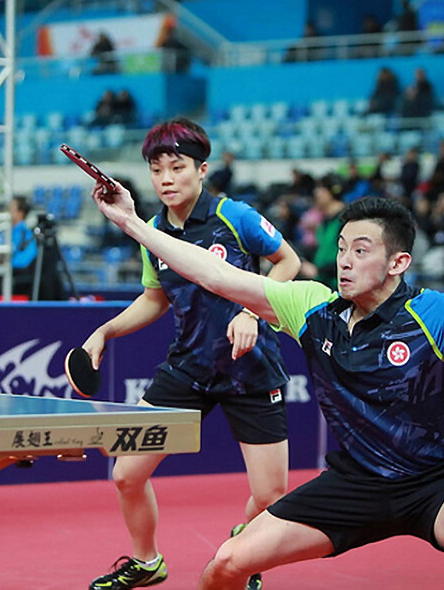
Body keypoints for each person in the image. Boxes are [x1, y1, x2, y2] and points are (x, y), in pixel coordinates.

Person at [89, 188, 444, 590]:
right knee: (227, 563)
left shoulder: (433, 311)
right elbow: (217, 276)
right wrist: (133, 224)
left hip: (439, 482)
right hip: (354, 484)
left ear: (398, 263)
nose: (345, 261)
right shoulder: (312, 307)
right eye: (341, 249)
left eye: (361, 251)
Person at [85, 118, 301, 590]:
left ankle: (243, 552)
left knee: (270, 494)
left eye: (177, 167)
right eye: (157, 169)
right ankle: (146, 562)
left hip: (252, 368)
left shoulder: (235, 217)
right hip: (189, 368)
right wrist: (106, 330)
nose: (166, 178)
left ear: (201, 169)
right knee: (126, 473)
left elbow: (289, 262)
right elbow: (154, 298)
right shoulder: (155, 232)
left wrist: (254, 311)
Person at [10, 196, 37, 297]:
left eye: (11, 209)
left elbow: (23, 261)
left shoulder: (24, 233)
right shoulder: (9, 231)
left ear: (20, 213)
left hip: (17, 282)